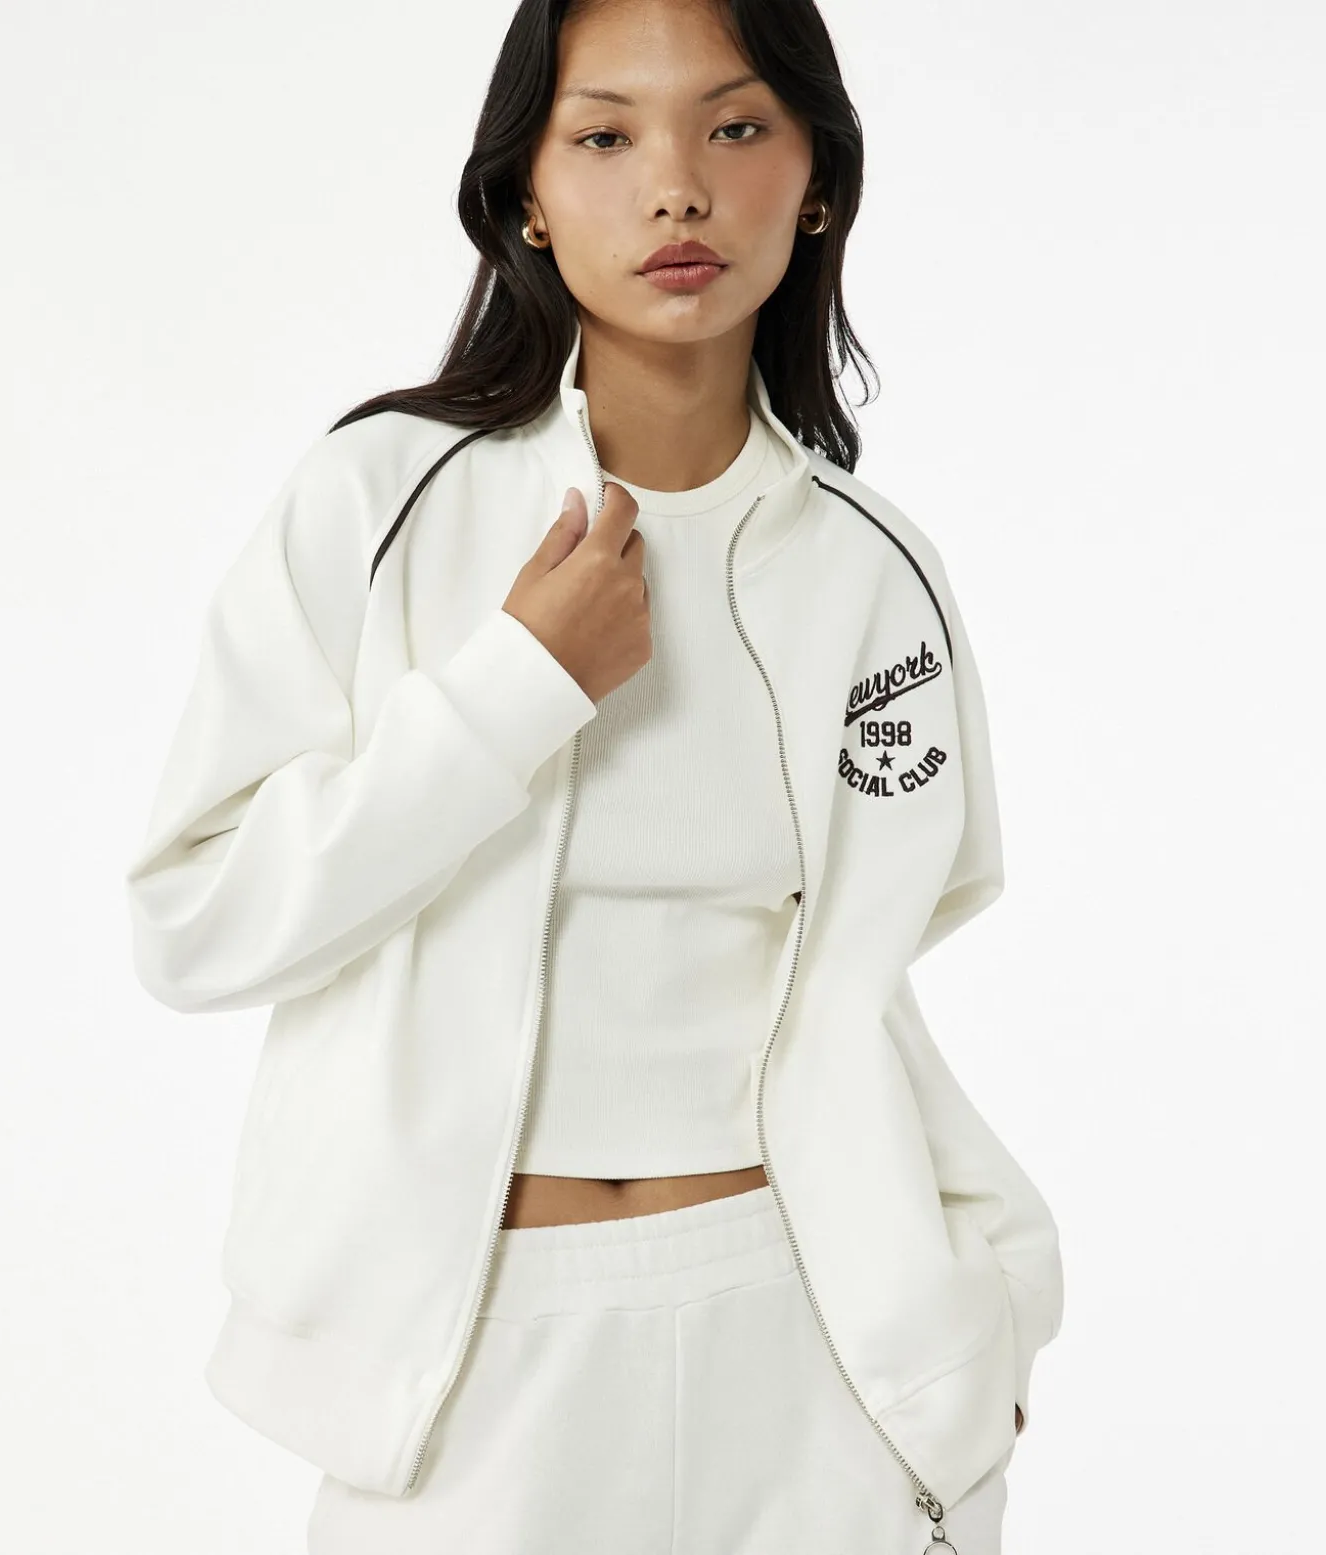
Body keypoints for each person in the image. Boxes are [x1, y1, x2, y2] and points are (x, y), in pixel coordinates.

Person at [123, 0, 1064, 1550]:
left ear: (816, 181)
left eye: (737, 127)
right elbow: (194, 919)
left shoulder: (875, 570)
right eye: (607, 135)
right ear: (529, 196)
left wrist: (974, 1334)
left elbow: (866, 982)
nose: (677, 188)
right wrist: (516, 690)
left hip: (811, 1351)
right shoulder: (381, 499)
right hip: (469, 1375)